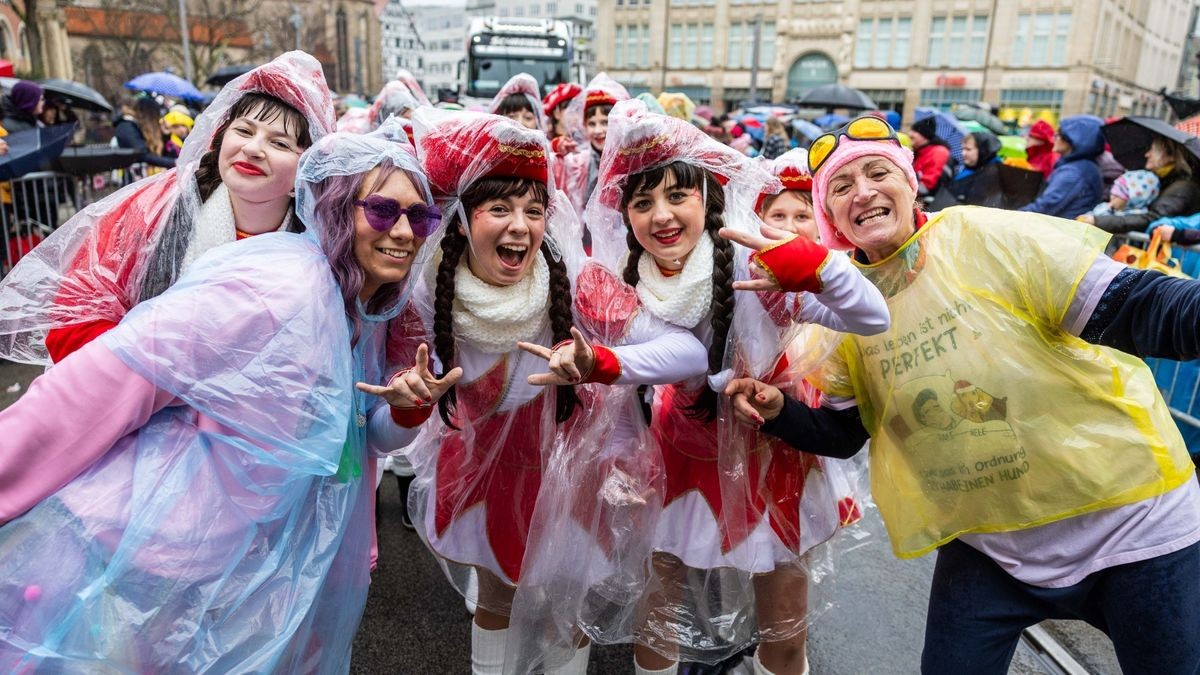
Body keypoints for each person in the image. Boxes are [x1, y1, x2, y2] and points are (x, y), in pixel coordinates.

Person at [722, 114, 1200, 675]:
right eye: (842, 188)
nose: (865, 192)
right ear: (829, 216)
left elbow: (1146, 307)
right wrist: (780, 413)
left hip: (1133, 529)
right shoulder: (839, 312)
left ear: (911, 183)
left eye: (879, 173)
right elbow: (845, 433)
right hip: (990, 547)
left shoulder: (988, 237)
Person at [0, 129, 441, 671]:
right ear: (333, 208)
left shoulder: (361, 305)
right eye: (380, 210)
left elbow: (352, 438)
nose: (402, 230)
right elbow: (109, 377)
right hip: (156, 567)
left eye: (420, 217)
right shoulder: (274, 287)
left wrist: (405, 410)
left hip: (260, 570)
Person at [400, 108, 709, 675]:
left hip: (568, 482)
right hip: (482, 477)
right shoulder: (429, 287)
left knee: (563, 615)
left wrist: (603, 363)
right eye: (500, 208)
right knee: (494, 600)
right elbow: (396, 372)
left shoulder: (579, 280)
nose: (520, 225)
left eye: (534, 210)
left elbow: (688, 354)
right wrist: (406, 395)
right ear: (465, 220)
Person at [584, 100, 888, 675]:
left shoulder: (757, 271)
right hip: (679, 457)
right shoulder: (628, 283)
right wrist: (623, 448)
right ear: (625, 217)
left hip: (774, 462)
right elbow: (635, 384)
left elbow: (872, 318)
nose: (662, 216)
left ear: (709, 198)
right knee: (659, 618)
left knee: (784, 630)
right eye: (642, 202)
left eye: (678, 195)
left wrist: (822, 268)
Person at [0, 51, 335, 366]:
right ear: (220, 139)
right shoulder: (149, 212)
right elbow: (74, 312)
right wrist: (146, 374)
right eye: (244, 130)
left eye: (279, 143)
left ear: (306, 170)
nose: (253, 148)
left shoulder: (324, 249)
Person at [1081, 134, 1200, 232]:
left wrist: (1099, 221)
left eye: (1153, 150)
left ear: (1171, 157)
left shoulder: (1182, 187)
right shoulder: (1161, 180)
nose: (1147, 154)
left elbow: (1151, 218)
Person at [554, 73, 630, 224]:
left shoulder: (630, 159)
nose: (598, 130)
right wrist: (556, 148)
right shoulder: (578, 161)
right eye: (592, 124)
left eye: (605, 122)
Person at [1019, 116, 1104, 219]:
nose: (1055, 136)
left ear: (1074, 140)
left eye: (1061, 134)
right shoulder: (1082, 166)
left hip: (1062, 229)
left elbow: (1045, 207)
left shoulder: (1073, 172)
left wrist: (1012, 216)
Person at [757, 147, 818, 241]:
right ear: (761, 219)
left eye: (802, 217)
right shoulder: (740, 254)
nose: (789, 228)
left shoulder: (836, 256)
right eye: (778, 215)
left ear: (821, 224)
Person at [951, 130, 1005, 208]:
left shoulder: (993, 175)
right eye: (963, 149)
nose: (963, 153)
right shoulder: (969, 168)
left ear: (982, 151)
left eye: (968, 149)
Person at [1088, 169, 1159, 217]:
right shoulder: (1108, 208)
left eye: (1117, 195)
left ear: (1134, 198)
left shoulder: (1137, 216)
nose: (1112, 196)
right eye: (1112, 192)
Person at [909, 116, 952, 196]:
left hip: (927, 203)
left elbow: (926, 186)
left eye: (915, 131)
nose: (910, 134)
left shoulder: (938, 152)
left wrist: (906, 194)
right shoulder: (920, 150)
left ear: (924, 135)